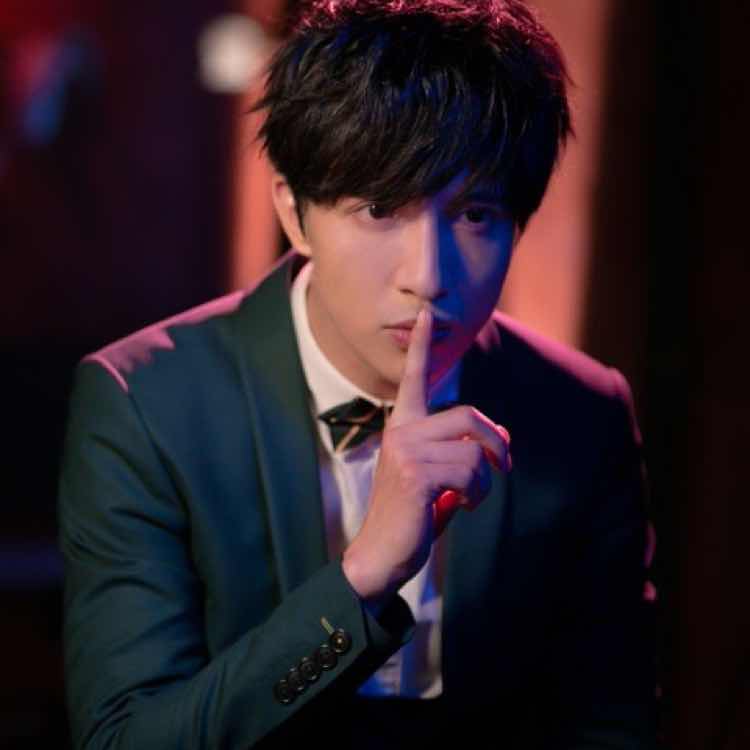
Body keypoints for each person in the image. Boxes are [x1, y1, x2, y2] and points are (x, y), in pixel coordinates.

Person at [58, 1, 657, 747]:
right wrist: (362, 577)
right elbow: (126, 739)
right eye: (379, 207)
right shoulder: (146, 404)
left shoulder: (581, 410)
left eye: (475, 214)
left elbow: (612, 724)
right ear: (293, 210)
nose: (428, 277)